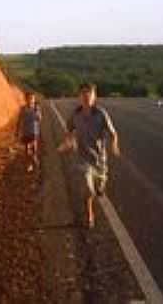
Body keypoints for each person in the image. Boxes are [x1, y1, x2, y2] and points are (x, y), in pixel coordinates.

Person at [58, 82, 120, 229]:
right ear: (79, 96)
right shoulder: (75, 114)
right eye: (83, 93)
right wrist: (68, 141)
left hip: (99, 159)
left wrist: (114, 144)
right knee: (86, 187)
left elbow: (113, 133)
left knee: (98, 188)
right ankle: (89, 215)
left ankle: (101, 186)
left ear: (94, 96)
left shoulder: (101, 114)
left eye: (89, 93)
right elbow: (69, 129)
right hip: (83, 158)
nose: (86, 96)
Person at [17, 91, 42, 172]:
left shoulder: (36, 108)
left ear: (34, 100)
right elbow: (19, 120)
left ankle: (35, 159)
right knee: (27, 150)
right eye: (28, 98)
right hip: (25, 131)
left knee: (34, 149)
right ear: (25, 99)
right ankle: (29, 164)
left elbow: (40, 119)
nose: (30, 100)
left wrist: (37, 111)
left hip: (34, 131)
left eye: (32, 98)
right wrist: (17, 131)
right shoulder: (23, 109)